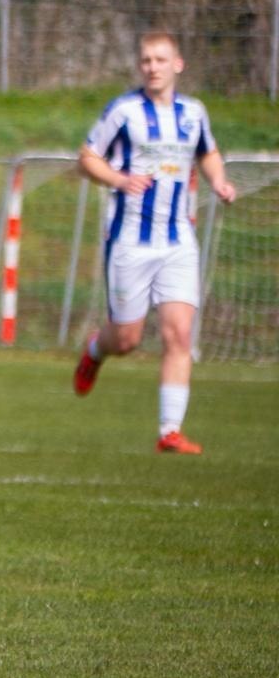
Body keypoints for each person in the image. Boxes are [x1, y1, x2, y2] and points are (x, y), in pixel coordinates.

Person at [72, 31, 236, 454]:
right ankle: (96, 349)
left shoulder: (193, 113)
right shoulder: (124, 111)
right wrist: (120, 179)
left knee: (179, 335)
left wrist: (219, 181)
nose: (153, 67)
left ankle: (169, 431)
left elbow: (209, 152)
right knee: (127, 339)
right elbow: (87, 158)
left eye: (161, 59)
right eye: (146, 60)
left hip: (178, 239)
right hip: (130, 241)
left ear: (177, 64)